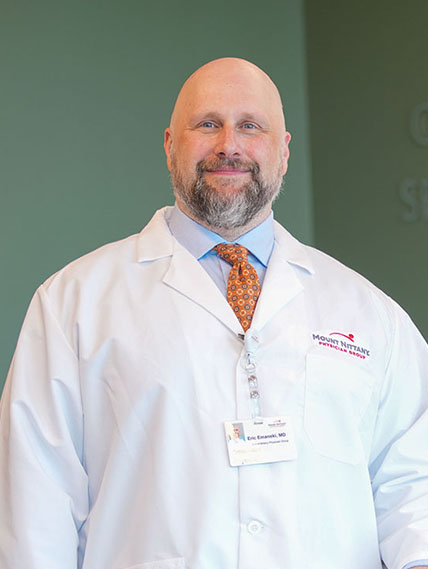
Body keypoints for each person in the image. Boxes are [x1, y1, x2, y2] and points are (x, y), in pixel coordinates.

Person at [0, 57, 428, 569]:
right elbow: (35, 502)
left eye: (251, 126)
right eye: (207, 124)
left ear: (284, 151)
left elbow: (413, 483)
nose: (229, 144)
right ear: (168, 145)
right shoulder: (72, 303)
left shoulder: (368, 312)